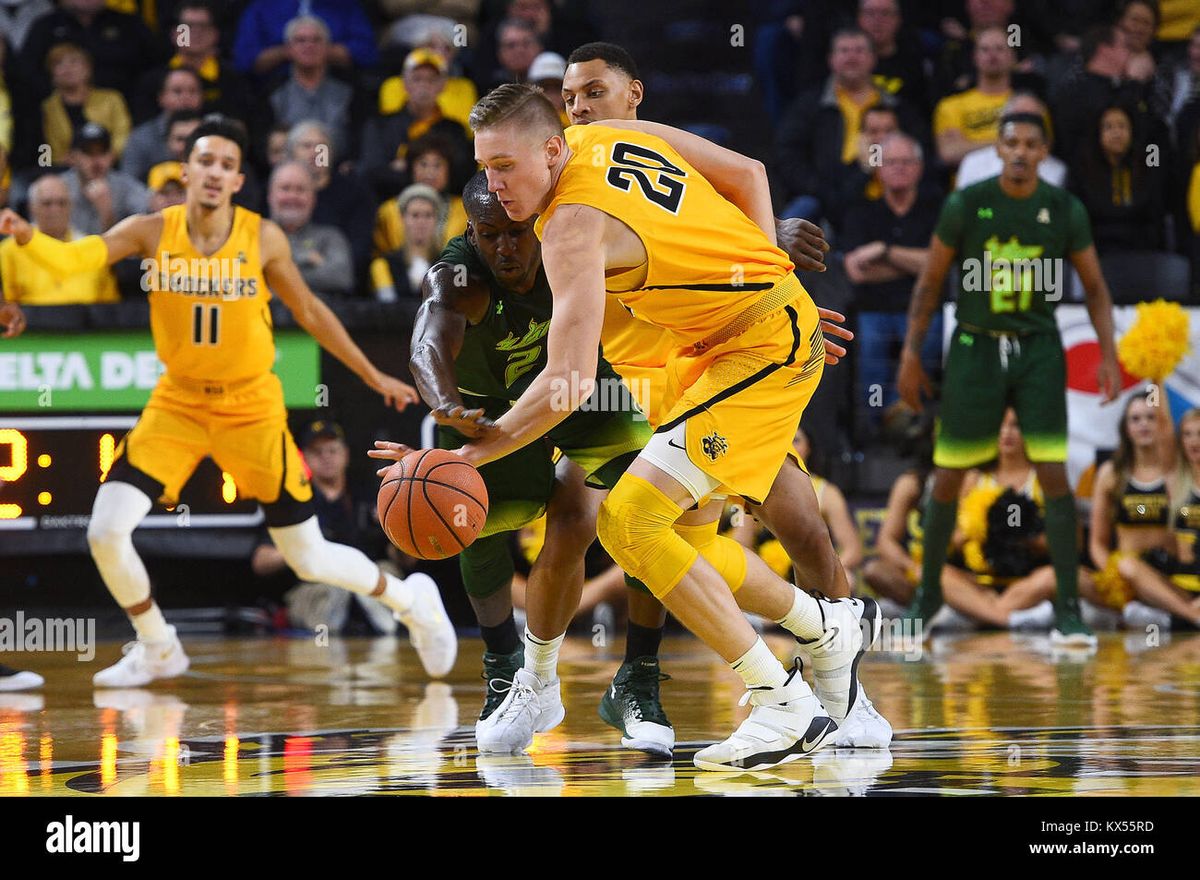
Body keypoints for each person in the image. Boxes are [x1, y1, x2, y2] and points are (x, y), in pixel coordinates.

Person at [375, 83, 880, 772]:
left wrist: (475, 448)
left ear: (552, 148)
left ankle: (781, 701)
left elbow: (568, 383)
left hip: (755, 349)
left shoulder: (569, 229)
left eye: (506, 166)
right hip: (720, 351)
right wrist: (770, 277)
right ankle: (824, 629)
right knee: (684, 550)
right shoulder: (606, 137)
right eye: (484, 167)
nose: (494, 185)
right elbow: (744, 177)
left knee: (629, 519)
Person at [0, 115, 455, 688]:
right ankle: (159, 645)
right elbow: (80, 258)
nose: (215, 173)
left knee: (308, 557)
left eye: (227, 166)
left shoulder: (262, 236)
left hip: (250, 408)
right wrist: (26, 238)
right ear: (185, 170)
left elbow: (311, 311)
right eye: (206, 161)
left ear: (239, 181)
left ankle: (411, 600)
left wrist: (370, 373)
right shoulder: (150, 229)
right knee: (105, 530)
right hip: (178, 405)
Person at [558, 40, 891, 750]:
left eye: (592, 92)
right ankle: (651, 677)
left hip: (724, 361)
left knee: (800, 523)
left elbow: (743, 183)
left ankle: (837, 692)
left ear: (634, 95)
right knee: (662, 535)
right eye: (568, 100)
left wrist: (770, 266)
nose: (579, 108)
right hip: (656, 380)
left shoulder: (641, 155)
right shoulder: (567, 196)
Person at [404, 171, 674, 755]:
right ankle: (507, 670)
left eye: (517, 231)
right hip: (498, 413)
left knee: (643, 511)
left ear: (541, 221)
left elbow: (673, 237)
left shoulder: (572, 240)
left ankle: (638, 680)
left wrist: (766, 232)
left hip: (583, 389)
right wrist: (447, 404)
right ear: (471, 233)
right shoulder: (459, 277)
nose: (505, 246)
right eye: (488, 233)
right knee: (465, 517)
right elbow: (426, 341)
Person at [897, 111, 1121, 647]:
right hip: (975, 346)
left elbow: (1094, 288)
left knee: (1053, 474)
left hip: (1039, 350)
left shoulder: (1064, 209)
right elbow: (930, 282)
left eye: (1030, 144)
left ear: (1045, 153)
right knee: (948, 475)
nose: (1020, 152)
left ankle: (1068, 607)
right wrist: (910, 353)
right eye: (1011, 143)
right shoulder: (966, 204)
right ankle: (927, 598)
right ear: (996, 150)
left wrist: (1109, 351)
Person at [252, 420, 395, 634]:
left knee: (381, 573)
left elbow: (405, 558)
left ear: (345, 454)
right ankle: (331, 629)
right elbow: (260, 562)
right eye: (317, 452)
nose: (326, 457)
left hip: (368, 579)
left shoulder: (371, 496)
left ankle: (385, 621)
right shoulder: (293, 502)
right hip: (318, 585)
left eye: (332, 450)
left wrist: (395, 530)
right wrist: (297, 546)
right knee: (330, 582)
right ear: (304, 458)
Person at [841, 132, 940, 429]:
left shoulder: (936, 210)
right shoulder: (861, 212)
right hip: (874, 308)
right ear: (878, 168)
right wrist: (917, 263)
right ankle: (876, 427)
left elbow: (941, 266)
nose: (899, 167)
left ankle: (914, 422)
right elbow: (856, 270)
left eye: (907, 161)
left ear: (919, 168)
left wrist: (885, 252)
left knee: (928, 349)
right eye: (891, 161)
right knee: (870, 356)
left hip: (923, 309)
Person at [1090, 390, 1199, 628]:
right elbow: (1097, 543)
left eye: (1150, 418)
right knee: (1102, 574)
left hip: (1169, 578)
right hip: (1127, 575)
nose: (1144, 425)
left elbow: (1167, 425)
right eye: (1135, 419)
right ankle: (1185, 616)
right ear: (1125, 427)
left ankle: (1172, 616)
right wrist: (1113, 576)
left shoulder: (1175, 472)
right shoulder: (1111, 474)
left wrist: (1155, 377)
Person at [359, 48, 472, 203]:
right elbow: (371, 173)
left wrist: (404, 167)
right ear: (404, 83)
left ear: (443, 85)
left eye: (431, 80)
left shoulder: (454, 129)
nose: (424, 86)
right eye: (417, 79)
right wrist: (429, 172)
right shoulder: (380, 126)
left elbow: (461, 175)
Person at [0, 173, 117, 303]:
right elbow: (7, 306)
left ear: (71, 207)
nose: (55, 209)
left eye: (61, 203)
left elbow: (109, 306)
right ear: (31, 207)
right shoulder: (9, 250)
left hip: (83, 321)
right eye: (47, 203)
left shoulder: (93, 248)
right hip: (32, 322)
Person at [1069, 103, 1167, 254]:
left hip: (1141, 254)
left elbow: (1154, 220)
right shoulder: (1083, 172)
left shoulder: (1146, 169)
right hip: (1097, 254)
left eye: (1122, 126)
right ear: (1098, 133)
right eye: (1108, 127)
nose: (1116, 133)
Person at [268, 16, 355, 157]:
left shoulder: (349, 92)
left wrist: (324, 165)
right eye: (300, 40)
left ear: (328, 47)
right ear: (288, 49)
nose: (309, 45)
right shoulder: (272, 93)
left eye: (316, 40)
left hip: (337, 171)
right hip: (288, 171)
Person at [933, 27, 1015, 170]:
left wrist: (970, 145)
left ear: (1012, 56)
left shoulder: (1028, 104)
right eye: (985, 49)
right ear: (974, 57)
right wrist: (1004, 143)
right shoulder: (951, 105)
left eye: (999, 49)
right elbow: (949, 153)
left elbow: (1041, 149)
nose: (992, 55)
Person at [267, 160, 353, 298]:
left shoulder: (330, 237)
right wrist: (306, 258)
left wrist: (271, 272)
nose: (292, 196)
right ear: (270, 196)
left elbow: (341, 278)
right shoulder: (249, 236)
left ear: (313, 198)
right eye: (285, 188)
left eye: (300, 189)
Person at [372, 133, 467, 255]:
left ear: (449, 170)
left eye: (437, 165)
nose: (430, 173)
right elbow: (379, 257)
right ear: (411, 168)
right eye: (423, 164)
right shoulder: (389, 211)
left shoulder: (465, 210)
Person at [41, 42, 132, 164]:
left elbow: (123, 135)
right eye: (59, 64)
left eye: (74, 62)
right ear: (52, 73)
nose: (67, 68)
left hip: (110, 166)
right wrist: (58, 162)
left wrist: (107, 157)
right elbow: (45, 149)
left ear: (88, 69)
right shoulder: (46, 108)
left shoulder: (112, 99)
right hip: (65, 170)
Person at [956, 93, 1067, 189]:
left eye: (1031, 119)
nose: (1023, 125)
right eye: (1017, 117)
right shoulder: (973, 163)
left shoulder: (1057, 170)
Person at [62, 122, 149, 235]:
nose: (96, 160)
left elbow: (148, 218)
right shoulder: (59, 187)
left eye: (102, 152)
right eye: (88, 153)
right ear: (73, 157)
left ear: (111, 155)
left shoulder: (125, 186)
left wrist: (107, 213)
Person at [121, 68, 204, 184]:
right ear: (161, 97)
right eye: (177, 91)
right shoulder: (140, 138)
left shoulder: (213, 133)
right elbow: (128, 183)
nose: (186, 97)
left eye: (192, 91)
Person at [370, 184, 444, 303]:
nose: (421, 222)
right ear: (402, 218)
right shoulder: (383, 265)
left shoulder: (448, 264)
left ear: (436, 220)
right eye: (415, 215)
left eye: (428, 215)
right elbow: (388, 309)